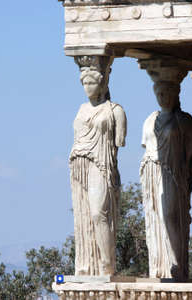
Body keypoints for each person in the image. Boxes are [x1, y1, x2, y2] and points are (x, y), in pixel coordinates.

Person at [69, 62, 127, 276]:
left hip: (101, 164)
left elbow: (118, 142)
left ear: (102, 83)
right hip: (79, 164)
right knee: (83, 215)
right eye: (84, 83)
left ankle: (107, 263)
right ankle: (87, 265)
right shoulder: (81, 109)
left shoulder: (116, 111)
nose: (87, 87)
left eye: (92, 82)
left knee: (98, 213)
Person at [140, 81, 192, 281]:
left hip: (173, 173)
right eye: (159, 92)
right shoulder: (149, 120)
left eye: (167, 92)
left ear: (175, 94)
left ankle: (178, 264)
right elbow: (145, 146)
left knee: (171, 215)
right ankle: (160, 265)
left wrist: (188, 178)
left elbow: (191, 154)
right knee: (155, 216)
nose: (162, 96)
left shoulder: (184, 120)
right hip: (151, 171)